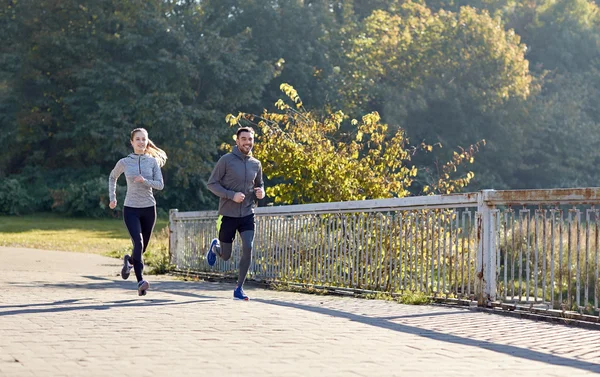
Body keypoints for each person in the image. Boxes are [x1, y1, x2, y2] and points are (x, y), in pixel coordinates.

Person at [206, 127, 265, 301]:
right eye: (244, 139)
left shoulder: (256, 163)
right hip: (228, 214)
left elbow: (259, 184)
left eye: (250, 139)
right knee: (226, 256)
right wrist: (231, 195)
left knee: (248, 247)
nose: (248, 142)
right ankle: (215, 248)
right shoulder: (226, 160)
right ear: (237, 141)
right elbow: (212, 184)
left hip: (247, 213)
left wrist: (261, 192)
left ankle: (239, 288)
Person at [108, 128, 167, 296]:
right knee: (138, 243)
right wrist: (113, 197)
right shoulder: (125, 162)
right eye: (138, 139)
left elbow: (160, 185)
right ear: (132, 142)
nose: (141, 142)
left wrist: (145, 181)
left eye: (144, 139)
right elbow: (113, 177)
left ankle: (129, 261)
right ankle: (140, 282)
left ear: (147, 142)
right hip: (131, 208)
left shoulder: (152, 162)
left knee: (142, 249)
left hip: (149, 208)